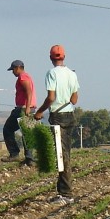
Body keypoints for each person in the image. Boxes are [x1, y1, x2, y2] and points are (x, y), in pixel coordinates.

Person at [34, 44, 80, 204]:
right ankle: (63, 191)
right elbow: (75, 99)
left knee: (61, 155)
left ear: (51, 58)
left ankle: (66, 194)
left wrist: (39, 112)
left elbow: (51, 97)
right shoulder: (72, 74)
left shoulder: (51, 73)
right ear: (64, 57)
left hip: (57, 116)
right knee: (65, 152)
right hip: (70, 115)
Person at [2, 59, 36, 166]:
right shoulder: (27, 76)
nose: (12, 72)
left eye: (13, 69)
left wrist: (27, 107)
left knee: (7, 129)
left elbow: (28, 92)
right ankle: (29, 159)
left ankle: (14, 154)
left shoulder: (23, 77)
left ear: (18, 68)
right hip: (30, 108)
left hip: (23, 108)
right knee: (27, 133)